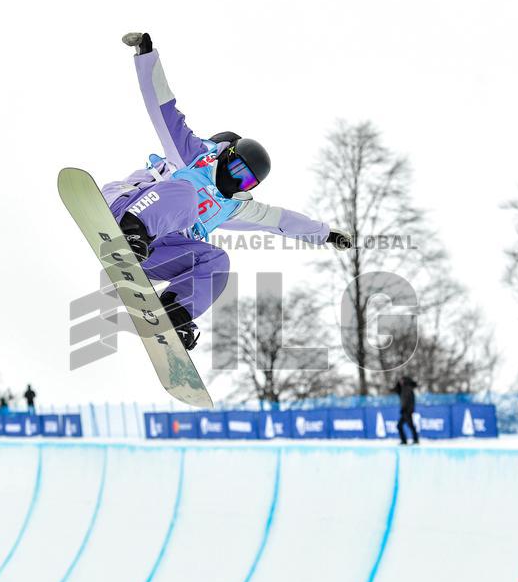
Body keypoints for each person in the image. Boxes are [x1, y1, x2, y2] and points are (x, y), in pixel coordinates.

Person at [102, 32, 353, 351]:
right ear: (224, 156)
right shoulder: (191, 154)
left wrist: (326, 234)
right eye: (236, 171)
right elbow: (164, 108)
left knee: (217, 259)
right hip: (128, 208)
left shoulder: (234, 206)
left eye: (246, 182)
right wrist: (146, 55)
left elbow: (282, 220)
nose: (236, 184)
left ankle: (175, 311)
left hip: (151, 253)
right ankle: (131, 231)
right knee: (187, 196)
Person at [392, 375, 420, 445]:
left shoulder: (407, 389)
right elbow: (396, 390)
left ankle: (409, 440)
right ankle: (413, 439)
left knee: (401, 425)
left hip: (406, 411)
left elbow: (407, 401)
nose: (400, 382)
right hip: (406, 411)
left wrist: (405, 409)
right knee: (407, 425)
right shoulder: (403, 389)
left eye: (401, 380)